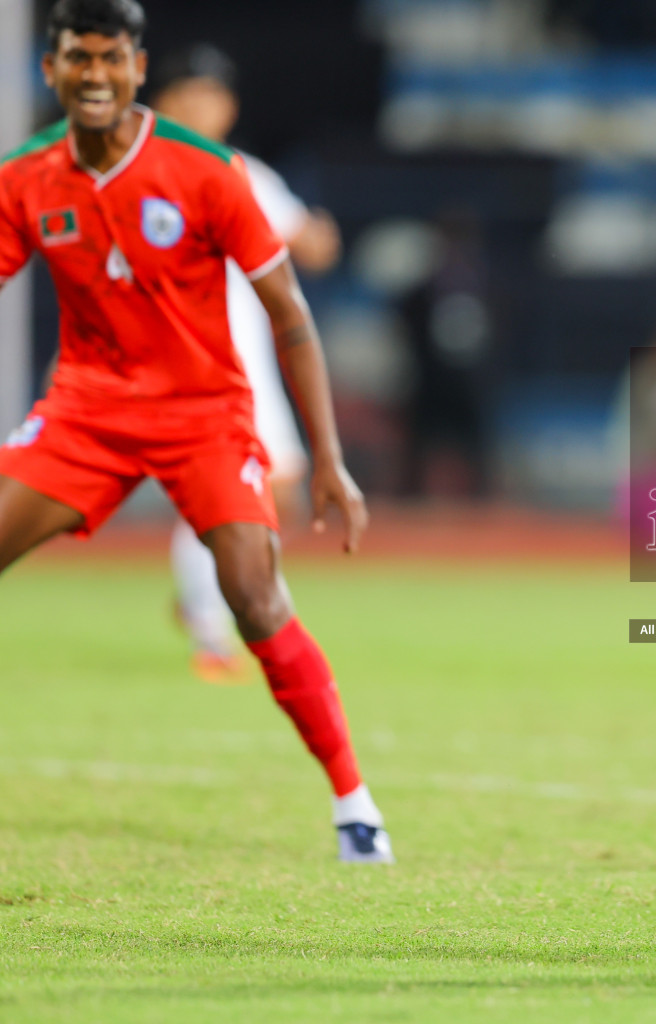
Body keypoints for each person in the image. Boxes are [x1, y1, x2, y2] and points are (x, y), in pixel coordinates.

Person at [0, 0, 392, 863]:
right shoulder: (25, 175)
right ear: (52, 70)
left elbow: (290, 313)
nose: (94, 75)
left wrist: (328, 458)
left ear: (137, 69)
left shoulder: (210, 174)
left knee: (255, 595)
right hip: (84, 412)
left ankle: (353, 803)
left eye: (111, 58)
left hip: (202, 415)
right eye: (78, 58)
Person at [149, 43, 343, 680]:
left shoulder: (245, 173)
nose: (201, 107)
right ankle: (211, 631)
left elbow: (309, 247)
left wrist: (318, 232)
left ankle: (200, 601)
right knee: (219, 495)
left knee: (274, 488)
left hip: (245, 359)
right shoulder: (145, 172)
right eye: (189, 94)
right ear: (164, 101)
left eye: (212, 95)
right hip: (183, 361)